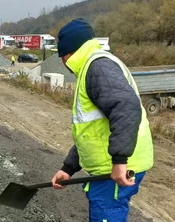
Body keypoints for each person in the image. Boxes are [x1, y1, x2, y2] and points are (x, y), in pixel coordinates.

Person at [50, 18, 154, 222]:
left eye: (62, 56)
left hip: (114, 168)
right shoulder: (95, 65)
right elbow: (92, 133)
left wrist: (119, 161)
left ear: (68, 53)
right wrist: (68, 168)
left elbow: (126, 106)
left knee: (107, 213)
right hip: (111, 164)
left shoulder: (97, 68)